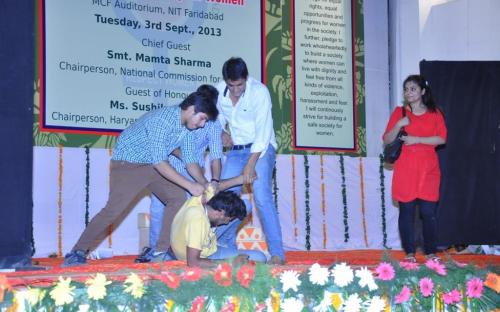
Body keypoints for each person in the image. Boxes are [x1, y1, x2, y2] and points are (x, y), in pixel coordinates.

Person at [62, 90, 218, 267]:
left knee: (177, 198)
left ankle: (160, 251)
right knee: (113, 210)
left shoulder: (188, 129)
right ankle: (77, 252)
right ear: (191, 110)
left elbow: (190, 160)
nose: (202, 124)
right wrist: (191, 185)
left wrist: (204, 183)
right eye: (202, 118)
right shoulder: (162, 120)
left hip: (152, 165)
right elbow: (160, 163)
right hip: (128, 164)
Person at [135, 85, 223, 263]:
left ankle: (189, 251)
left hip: (194, 172)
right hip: (168, 168)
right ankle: (156, 251)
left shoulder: (214, 124)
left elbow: (216, 155)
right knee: (158, 208)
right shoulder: (177, 115)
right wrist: (185, 158)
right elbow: (167, 146)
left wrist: (214, 180)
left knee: (194, 211)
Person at [215, 57, 285, 265]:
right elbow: (215, 120)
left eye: (239, 85)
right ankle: (225, 246)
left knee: (262, 197)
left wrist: (250, 164)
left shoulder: (259, 92)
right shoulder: (219, 91)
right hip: (236, 151)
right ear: (225, 81)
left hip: (261, 149)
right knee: (224, 198)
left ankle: (277, 253)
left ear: (246, 78)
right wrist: (221, 132)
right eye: (231, 86)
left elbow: (263, 133)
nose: (236, 90)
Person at [383, 75, 447, 262]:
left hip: (429, 170)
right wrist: (398, 125)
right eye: (406, 89)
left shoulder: (435, 113)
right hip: (406, 169)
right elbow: (386, 139)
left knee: (429, 213)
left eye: (413, 89)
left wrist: (417, 140)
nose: (408, 92)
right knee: (406, 212)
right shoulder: (399, 112)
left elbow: (442, 139)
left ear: (423, 91)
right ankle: (410, 253)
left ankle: (431, 252)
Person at [168, 183, 267, 268]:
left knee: (246, 205)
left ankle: (223, 244)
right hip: (200, 255)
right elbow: (193, 262)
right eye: (229, 219)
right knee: (260, 257)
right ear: (220, 213)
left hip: (206, 239)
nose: (228, 223)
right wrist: (229, 262)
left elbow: (216, 186)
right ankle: (225, 250)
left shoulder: (200, 199)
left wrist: (242, 178)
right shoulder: (198, 221)